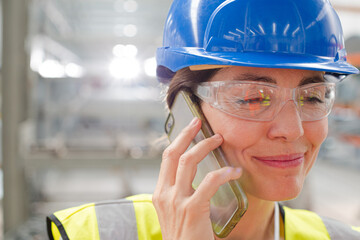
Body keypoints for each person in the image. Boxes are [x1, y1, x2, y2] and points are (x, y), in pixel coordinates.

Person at [47, 0, 360, 239]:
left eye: (313, 98)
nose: (292, 130)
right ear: (186, 110)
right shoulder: (89, 232)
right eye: (253, 98)